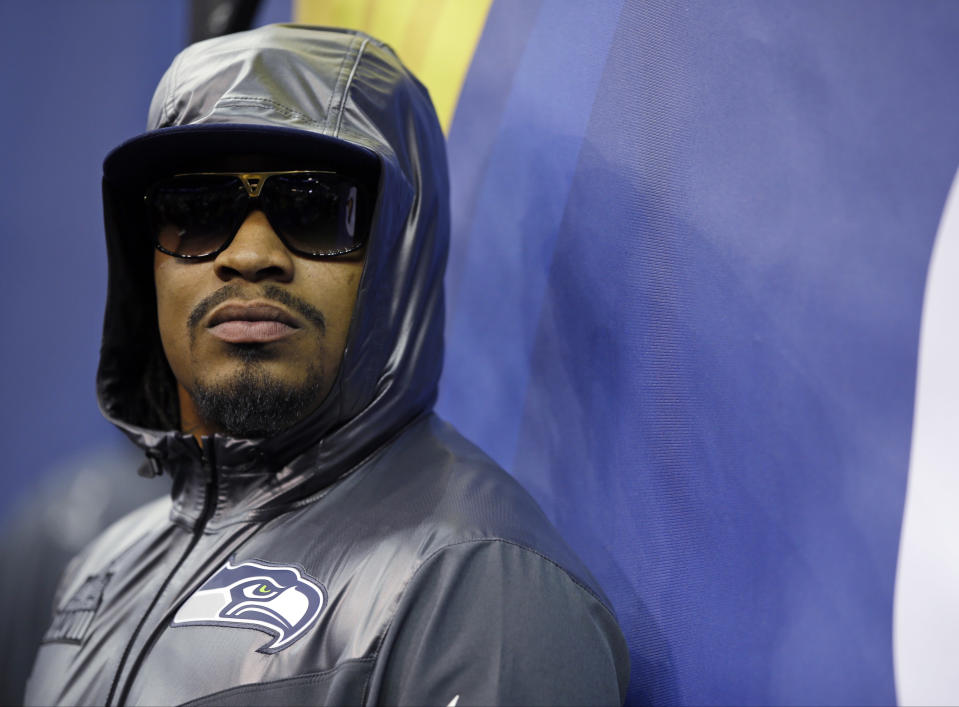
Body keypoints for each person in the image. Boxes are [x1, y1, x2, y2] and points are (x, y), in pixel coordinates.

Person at [25, 24, 629, 706]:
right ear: (151, 261)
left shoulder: (476, 585)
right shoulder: (98, 570)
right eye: (197, 209)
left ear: (400, 251)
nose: (250, 253)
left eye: (314, 207)